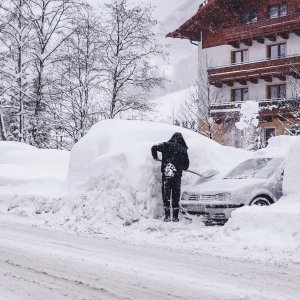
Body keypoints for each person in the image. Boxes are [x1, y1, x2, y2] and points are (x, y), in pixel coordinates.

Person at [151, 133, 189, 222]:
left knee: (166, 195)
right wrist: (183, 166)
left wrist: (155, 156)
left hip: (166, 175)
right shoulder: (183, 149)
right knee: (176, 196)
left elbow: (153, 147)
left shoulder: (165, 145)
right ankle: (175, 217)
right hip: (177, 177)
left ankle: (167, 216)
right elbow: (186, 165)